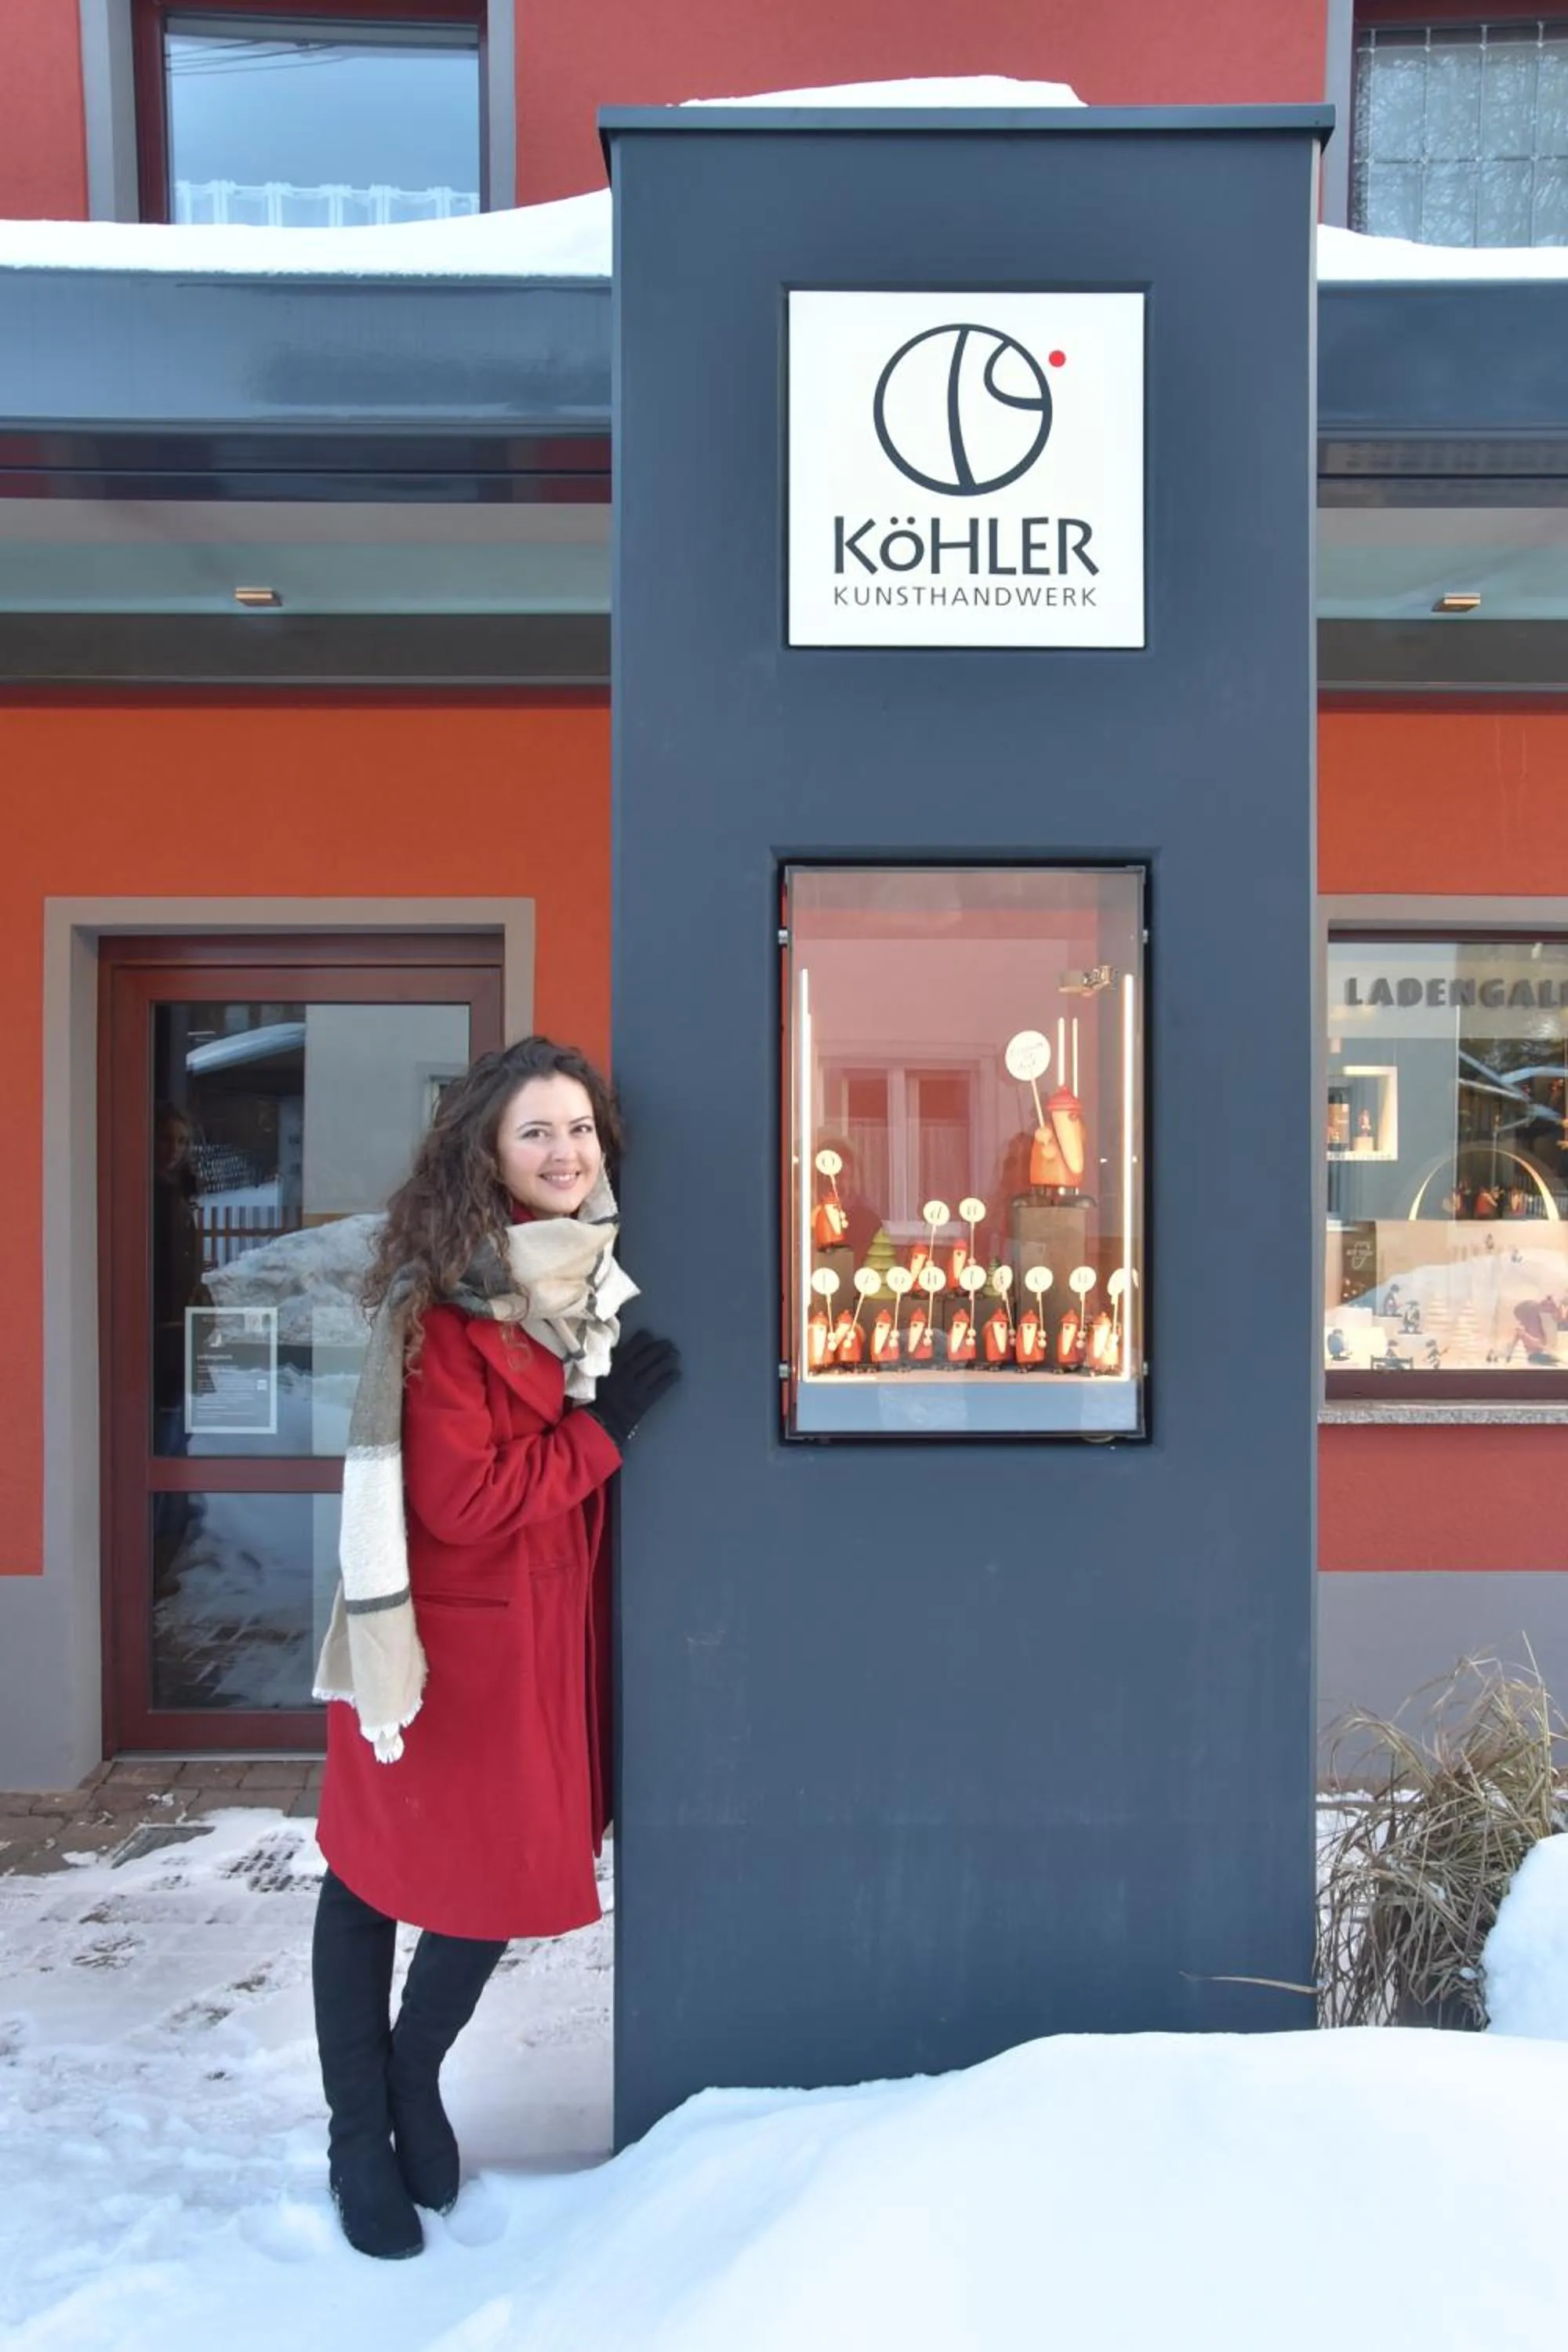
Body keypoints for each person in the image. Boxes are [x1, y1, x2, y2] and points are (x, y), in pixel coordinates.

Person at [310, 1036, 681, 2260]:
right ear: (487, 1152)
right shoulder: (446, 1306)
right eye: (536, 1132)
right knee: (372, 1880)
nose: (565, 1152)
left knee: (489, 1884)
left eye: (579, 1130)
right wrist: (608, 1429)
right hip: (431, 1646)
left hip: (534, 1638)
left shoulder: (581, 1284)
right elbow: (466, 1502)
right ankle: (357, 2136)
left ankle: (413, 2075)